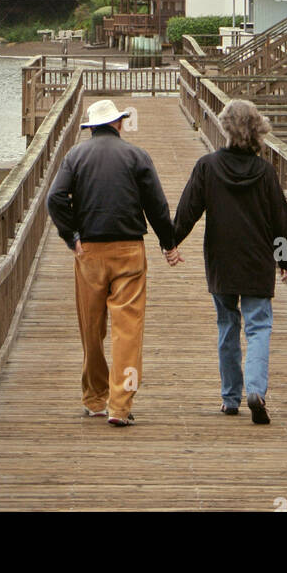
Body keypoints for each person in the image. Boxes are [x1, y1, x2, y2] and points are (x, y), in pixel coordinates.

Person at [47, 98, 181, 427]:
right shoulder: (136, 156)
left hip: (88, 252)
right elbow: (156, 205)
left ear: (91, 128)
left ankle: (95, 399)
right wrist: (168, 244)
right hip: (129, 250)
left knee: (91, 329)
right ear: (119, 124)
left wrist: (71, 236)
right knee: (128, 331)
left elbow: (55, 198)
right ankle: (120, 406)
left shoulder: (75, 156)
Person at [172, 98, 287, 425]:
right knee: (258, 327)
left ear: (225, 127)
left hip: (221, 260)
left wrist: (171, 243)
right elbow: (282, 221)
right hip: (256, 262)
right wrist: (284, 259)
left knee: (227, 326)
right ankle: (255, 391)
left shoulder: (208, 166)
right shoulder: (265, 172)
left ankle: (230, 398)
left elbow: (188, 211)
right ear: (257, 130)